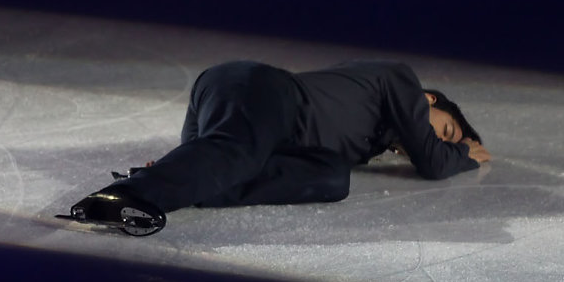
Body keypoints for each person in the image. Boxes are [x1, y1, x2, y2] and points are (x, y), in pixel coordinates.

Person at [68, 60, 491, 235]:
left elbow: (424, 155)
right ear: (432, 102)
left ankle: (175, 176)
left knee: (330, 177)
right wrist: (465, 154)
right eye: (446, 130)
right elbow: (434, 163)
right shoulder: (403, 82)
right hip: (257, 88)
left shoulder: (368, 141)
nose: (434, 140)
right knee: (240, 152)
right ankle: (125, 197)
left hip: (246, 127)